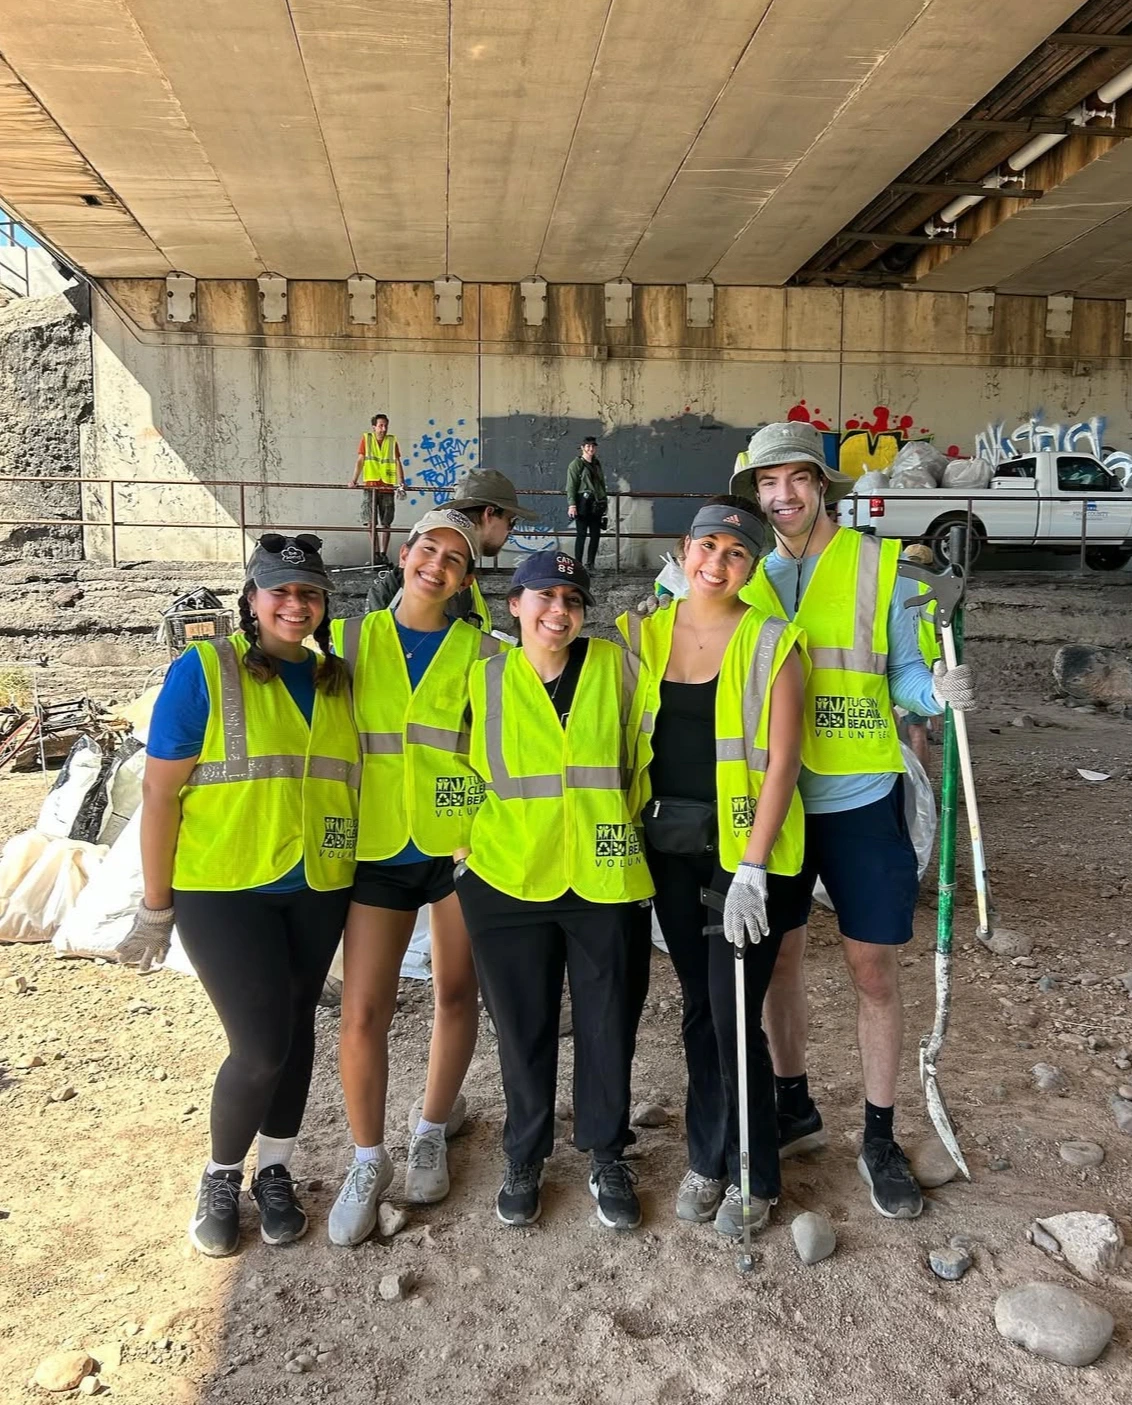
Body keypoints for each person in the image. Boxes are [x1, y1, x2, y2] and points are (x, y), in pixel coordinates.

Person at [733, 421, 976, 1220]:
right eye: (769, 483)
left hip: (865, 797)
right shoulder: (748, 575)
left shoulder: (878, 566)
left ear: (822, 484)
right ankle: (793, 1105)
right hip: (780, 803)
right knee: (779, 964)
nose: (784, 495)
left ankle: (878, 1134)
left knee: (873, 969)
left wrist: (938, 694)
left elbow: (903, 675)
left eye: (797, 479)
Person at [117, 533, 359, 1258]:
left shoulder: (333, 679)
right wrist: (155, 906)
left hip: (317, 883)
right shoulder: (204, 671)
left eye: (309, 592)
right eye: (279, 590)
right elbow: (159, 794)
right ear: (251, 600)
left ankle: (275, 1168)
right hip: (224, 889)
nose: (295, 603)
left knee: (296, 1030)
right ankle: (222, 1174)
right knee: (259, 1046)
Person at [618, 499, 806, 1239]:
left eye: (736, 553)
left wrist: (753, 866)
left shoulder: (770, 642)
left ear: (752, 566)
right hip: (669, 849)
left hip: (744, 861)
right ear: (683, 549)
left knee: (733, 1012)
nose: (718, 564)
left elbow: (784, 760)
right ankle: (707, 1154)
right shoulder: (644, 634)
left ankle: (756, 1171)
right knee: (700, 1004)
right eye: (708, 546)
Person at [457, 549, 654, 1231]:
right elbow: (447, 767)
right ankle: (525, 1153)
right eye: (544, 597)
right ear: (515, 605)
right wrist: (461, 849)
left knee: (608, 1023)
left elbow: (649, 749)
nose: (559, 611)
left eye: (573, 599)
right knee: (523, 1025)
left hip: (604, 873)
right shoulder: (483, 679)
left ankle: (606, 1151)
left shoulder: (618, 667)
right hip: (507, 876)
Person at [326, 508, 507, 1246]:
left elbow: (503, 746)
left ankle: (431, 1127)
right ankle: (368, 1158)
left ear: (467, 580)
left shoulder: (483, 650)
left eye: (455, 559)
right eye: (428, 549)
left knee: (456, 992)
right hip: (375, 848)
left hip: (455, 847)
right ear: (405, 556)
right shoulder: (348, 640)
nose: (437, 565)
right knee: (364, 1008)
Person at [366, 468, 539, 629]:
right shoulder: (442, 581)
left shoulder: (457, 574)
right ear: (489, 513)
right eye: (511, 521)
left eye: (455, 558)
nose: (511, 530)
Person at [897, 542, 941, 770]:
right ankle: (921, 786)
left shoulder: (892, 588)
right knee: (917, 731)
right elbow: (942, 634)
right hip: (922, 667)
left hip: (893, 662)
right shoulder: (935, 592)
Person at [350, 412, 405, 563]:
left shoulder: (391, 441)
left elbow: (397, 461)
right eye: (380, 425)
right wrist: (353, 480)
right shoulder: (367, 439)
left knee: (386, 522)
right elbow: (360, 460)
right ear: (374, 427)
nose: (383, 428)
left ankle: (382, 554)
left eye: (386, 425)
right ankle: (375, 554)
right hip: (371, 485)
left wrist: (402, 481)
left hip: (387, 485)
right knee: (370, 521)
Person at [566, 436, 608, 569]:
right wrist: (572, 504)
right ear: (583, 448)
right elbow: (571, 485)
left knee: (596, 534)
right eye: (588, 446)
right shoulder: (576, 464)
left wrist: (604, 501)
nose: (591, 448)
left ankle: (590, 565)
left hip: (596, 502)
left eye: (593, 446)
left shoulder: (596, 463)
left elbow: (601, 483)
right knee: (581, 534)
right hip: (583, 502)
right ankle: (578, 565)